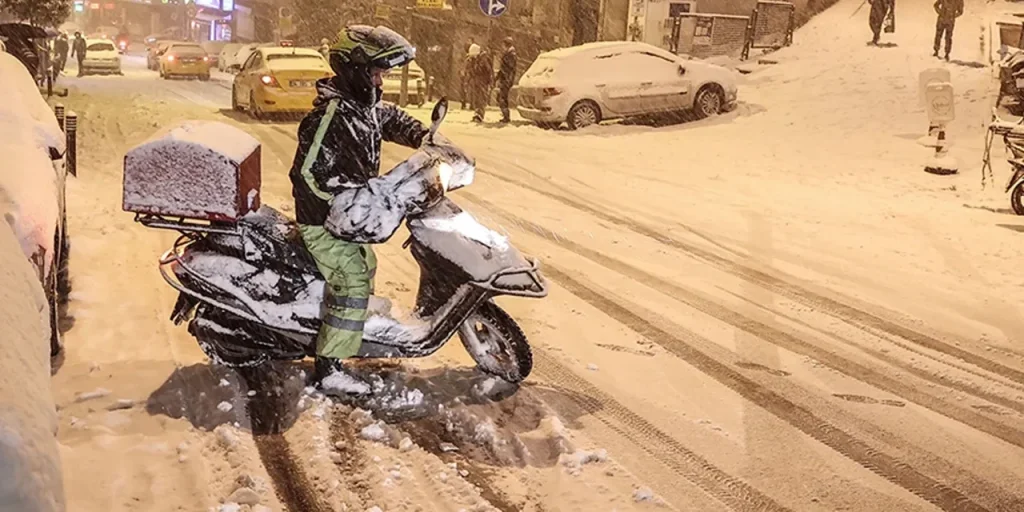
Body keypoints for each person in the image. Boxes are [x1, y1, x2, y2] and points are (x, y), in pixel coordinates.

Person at [289, 25, 430, 394]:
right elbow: (307, 173)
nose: (380, 81)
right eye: (375, 73)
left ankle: (347, 328)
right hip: (323, 221)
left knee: (365, 263)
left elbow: (391, 119)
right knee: (351, 277)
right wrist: (340, 202)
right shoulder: (330, 115)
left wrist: (426, 137)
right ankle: (329, 367)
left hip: (348, 219)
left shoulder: (362, 108)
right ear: (354, 70)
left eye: (382, 74)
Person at [495, 37, 517, 124]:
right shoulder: (509, 54)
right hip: (505, 79)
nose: (502, 46)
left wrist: (506, 78)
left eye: (503, 45)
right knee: (501, 97)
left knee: (502, 98)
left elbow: (509, 68)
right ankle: (505, 115)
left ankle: (506, 116)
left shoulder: (511, 55)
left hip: (506, 79)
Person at [469, 44, 493, 123]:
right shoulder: (477, 59)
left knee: (481, 98)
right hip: (478, 81)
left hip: (483, 82)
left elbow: (488, 71)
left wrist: (489, 82)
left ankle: (480, 114)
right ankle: (477, 113)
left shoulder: (483, 59)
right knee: (477, 98)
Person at [460, 38, 476, 110]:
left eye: (470, 41)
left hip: (471, 73)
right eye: (467, 41)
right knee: (464, 88)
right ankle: (463, 102)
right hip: (466, 73)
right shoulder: (464, 51)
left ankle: (471, 104)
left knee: (471, 89)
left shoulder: (474, 51)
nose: (468, 42)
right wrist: (462, 70)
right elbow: (462, 61)